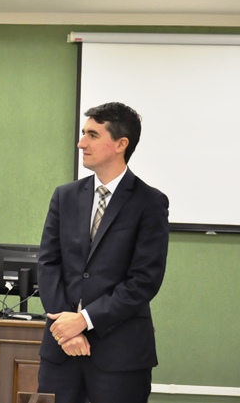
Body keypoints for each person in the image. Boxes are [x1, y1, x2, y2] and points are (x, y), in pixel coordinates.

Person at [36, 102, 169, 403]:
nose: (81, 143)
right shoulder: (65, 196)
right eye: (83, 133)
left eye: (92, 135)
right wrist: (66, 329)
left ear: (121, 144)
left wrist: (84, 320)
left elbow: (144, 281)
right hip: (61, 353)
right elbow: (48, 263)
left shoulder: (150, 203)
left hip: (120, 357)